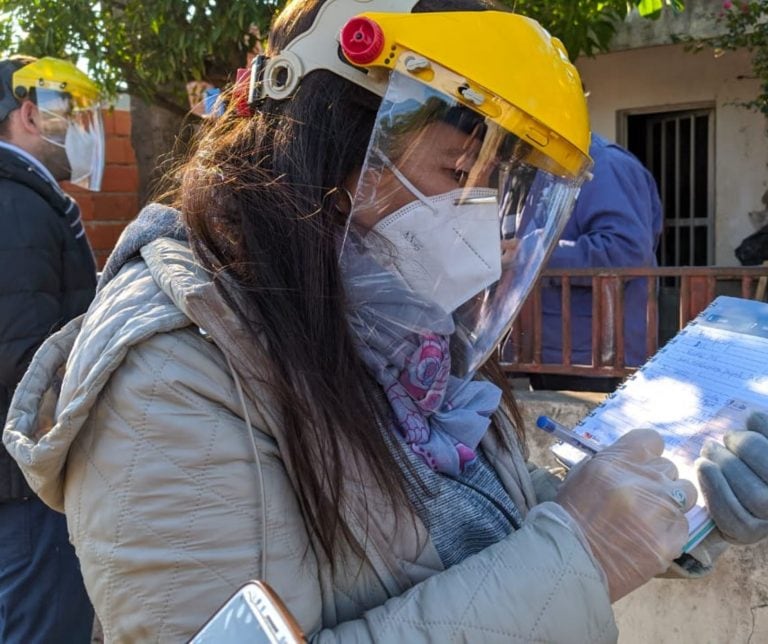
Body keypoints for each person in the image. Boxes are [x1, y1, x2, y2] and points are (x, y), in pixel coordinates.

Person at [3, 1, 767, 641]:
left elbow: (478, 523)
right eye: (458, 172)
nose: (488, 229)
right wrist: (584, 556)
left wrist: (675, 505)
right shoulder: (173, 375)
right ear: (335, 158)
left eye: (497, 190)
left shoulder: (401, 347)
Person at [0, 55, 103, 642]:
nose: (83, 130)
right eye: (74, 113)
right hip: (25, 485)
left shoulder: (26, 198)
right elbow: (23, 360)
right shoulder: (16, 205)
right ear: (30, 113)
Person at [526, 132, 663, 392]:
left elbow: (626, 251)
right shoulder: (550, 165)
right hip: (556, 352)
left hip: (596, 359)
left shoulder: (606, 165)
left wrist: (532, 255)